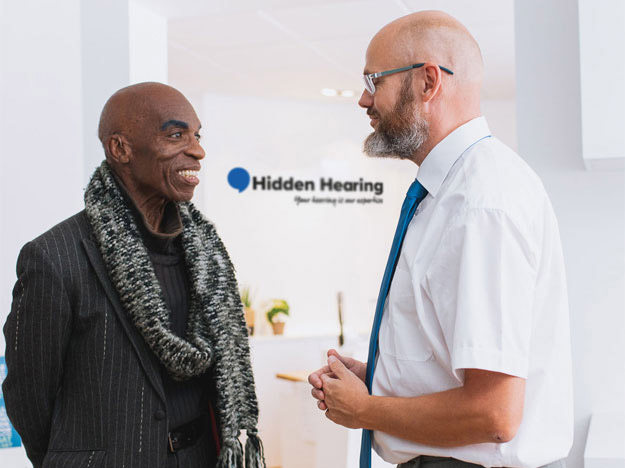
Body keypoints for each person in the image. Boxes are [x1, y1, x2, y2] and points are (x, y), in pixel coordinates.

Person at [308, 11, 572, 468]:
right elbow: (457, 369)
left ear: (428, 82)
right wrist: (381, 380)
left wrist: (366, 410)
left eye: (374, 80)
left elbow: (493, 413)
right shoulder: (451, 193)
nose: (363, 99)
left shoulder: (480, 202)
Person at [3, 82, 265, 468]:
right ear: (120, 149)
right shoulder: (55, 256)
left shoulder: (204, 250)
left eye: (196, 135)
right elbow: (29, 396)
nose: (197, 150)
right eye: (176, 135)